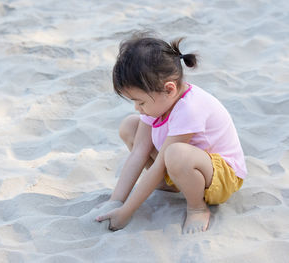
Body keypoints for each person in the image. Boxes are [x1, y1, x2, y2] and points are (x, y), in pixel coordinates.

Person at [95, 34, 247, 234]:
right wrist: (116, 202)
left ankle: (197, 207)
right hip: (185, 167)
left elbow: (161, 163)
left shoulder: (190, 108)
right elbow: (139, 151)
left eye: (140, 102)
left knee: (175, 153)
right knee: (129, 126)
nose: (137, 107)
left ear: (169, 89)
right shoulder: (160, 101)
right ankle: (171, 185)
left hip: (220, 178)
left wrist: (127, 212)